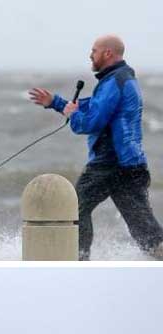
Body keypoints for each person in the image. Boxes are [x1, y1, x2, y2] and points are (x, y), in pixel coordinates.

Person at [29, 35, 163, 261]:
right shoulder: (122, 78)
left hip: (109, 162)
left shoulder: (115, 81)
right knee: (143, 227)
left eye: (94, 50)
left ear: (108, 53)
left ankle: (79, 261)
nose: (91, 55)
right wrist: (56, 102)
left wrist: (71, 114)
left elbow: (91, 122)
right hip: (130, 163)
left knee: (75, 208)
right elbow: (93, 106)